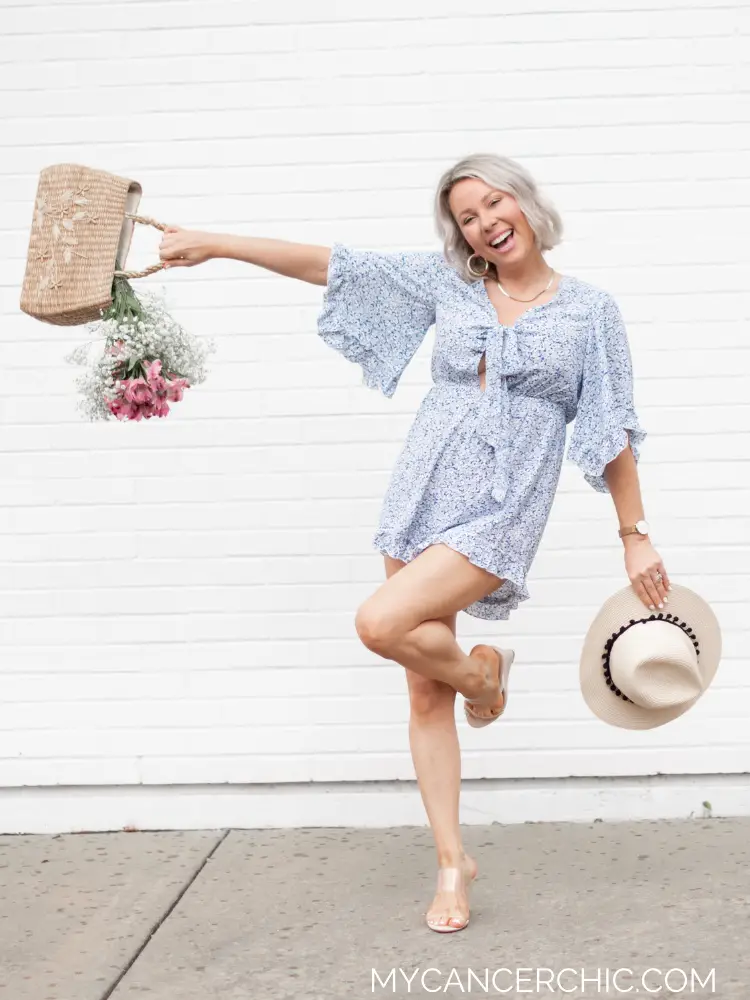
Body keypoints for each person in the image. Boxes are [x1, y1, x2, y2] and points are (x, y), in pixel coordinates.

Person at [158, 153, 670, 933]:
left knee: (380, 624)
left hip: (503, 504)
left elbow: (611, 429)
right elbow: (334, 266)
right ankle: (451, 862)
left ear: (525, 204)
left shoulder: (591, 311)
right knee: (423, 689)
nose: (485, 222)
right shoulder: (450, 282)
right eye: (466, 216)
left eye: (494, 203)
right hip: (421, 486)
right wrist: (219, 243)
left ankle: (484, 681)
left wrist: (633, 536)